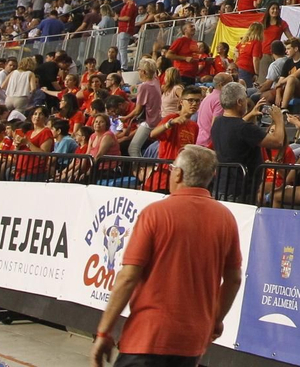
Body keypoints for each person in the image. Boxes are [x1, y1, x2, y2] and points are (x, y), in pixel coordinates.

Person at [89, 146, 241, 367]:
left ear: (178, 174)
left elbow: (128, 277)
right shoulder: (226, 219)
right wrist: (216, 319)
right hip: (192, 341)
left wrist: (104, 331)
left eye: (171, 169)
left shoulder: (155, 213)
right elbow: (234, 279)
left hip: (148, 337)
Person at [210, 81, 285, 201]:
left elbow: (234, 128)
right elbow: (278, 142)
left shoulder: (217, 122)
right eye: (245, 99)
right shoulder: (245, 128)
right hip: (240, 190)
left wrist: (250, 114)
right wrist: (279, 120)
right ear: (239, 102)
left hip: (221, 185)